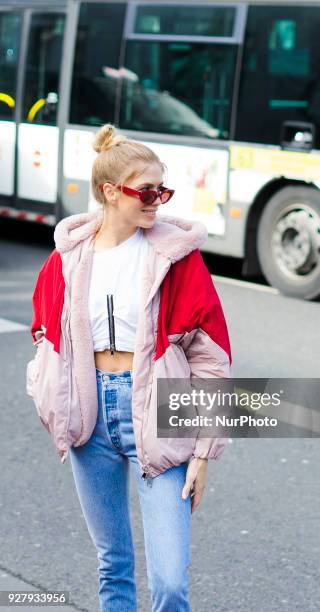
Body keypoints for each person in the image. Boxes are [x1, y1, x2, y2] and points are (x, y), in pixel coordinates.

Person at [28, 123, 232, 612]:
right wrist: (48, 393)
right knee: (112, 564)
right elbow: (44, 334)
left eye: (162, 189)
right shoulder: (69, 257)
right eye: (147, 190)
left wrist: (203, 451)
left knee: (169, 581)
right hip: (90, 413)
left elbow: (211, 356)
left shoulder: (174, 257)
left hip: (157, 408)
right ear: (109, 192)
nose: (157, 200)